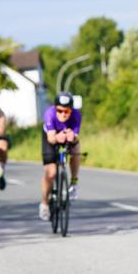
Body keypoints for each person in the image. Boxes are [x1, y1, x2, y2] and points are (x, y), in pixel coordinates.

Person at [38, 91, 82, 221]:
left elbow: (76, 136)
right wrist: (59, 137)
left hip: (66, 136)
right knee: (50, 173)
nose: (63, 114)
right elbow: (51, 138)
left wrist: (72, 137)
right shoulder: (49, 114)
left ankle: (74, 183)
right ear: (55, 108)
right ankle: (44, 203)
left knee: (76, 149)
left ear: (71, 110)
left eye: (66, 111)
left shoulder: (77, 115)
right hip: (50, 137)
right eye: (59, 110)